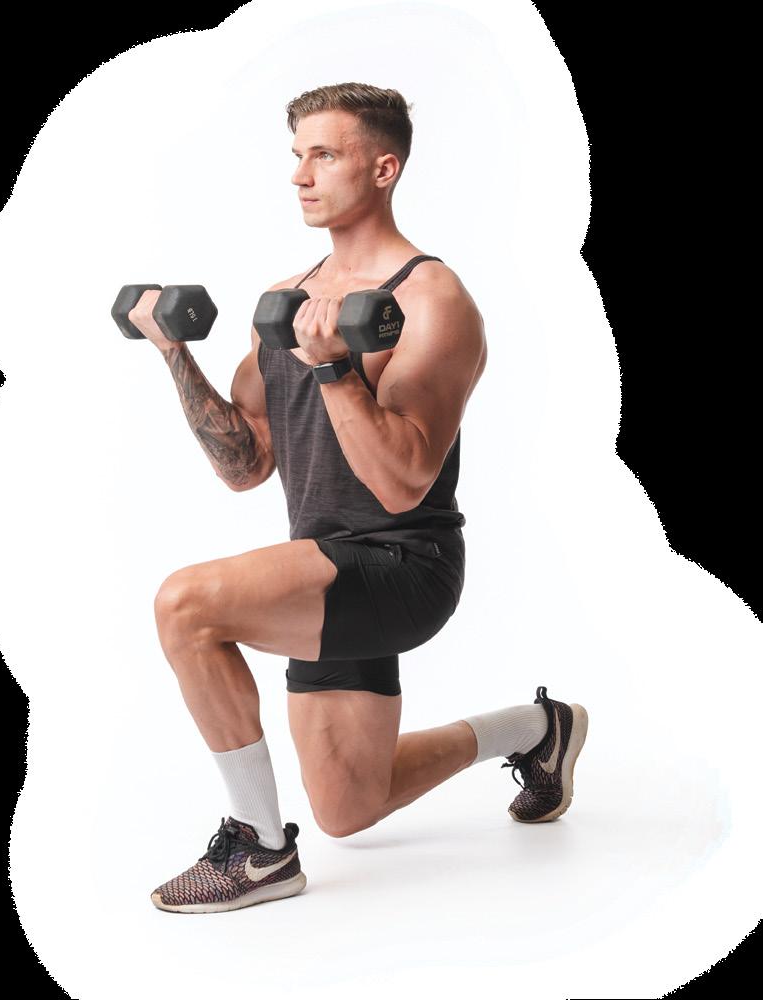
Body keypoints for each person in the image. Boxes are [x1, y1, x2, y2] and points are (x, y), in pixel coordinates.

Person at [128, 83, 589, 914]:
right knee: (348, 806)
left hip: (402, 566)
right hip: (319, 568)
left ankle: (259, 850)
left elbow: (402, 480)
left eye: (324, 155)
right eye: (296, 156)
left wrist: (336, 368)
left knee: (185, 605)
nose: (300, 176)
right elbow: (244, 465)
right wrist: (174, 354)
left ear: (383, 168)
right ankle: (535, 729)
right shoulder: (287, 302)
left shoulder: (430, 299)